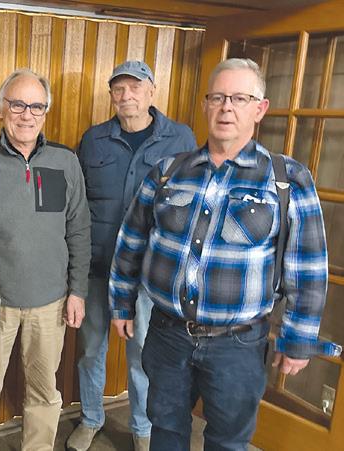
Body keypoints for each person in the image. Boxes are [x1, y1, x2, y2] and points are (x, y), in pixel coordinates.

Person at [109, 58, 341, 450]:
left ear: (259, 109)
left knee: (229, 441)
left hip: (238, 346)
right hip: (167, 336)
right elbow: (131, 241)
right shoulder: (168, 171)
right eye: (217, 97)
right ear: (205, 105)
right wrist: (121, 304)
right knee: (165, 429)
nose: (226, 107)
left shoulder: (286, 180)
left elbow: (308, 268)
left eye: (239, 98)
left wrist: (298, 339)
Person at [0, 69, 92, 451]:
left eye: (36, 106)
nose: (27, 114)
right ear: (1, 108)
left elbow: (79, 229)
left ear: (45, 112)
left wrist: (78, 291)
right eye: (17, 104)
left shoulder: (65, 161)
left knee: (45, 391)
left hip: (51, 302)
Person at [68, 60, 196, 451]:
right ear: (111, 95)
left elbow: (189, 205)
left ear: (152, 91)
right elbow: (77, 203)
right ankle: (91, 418)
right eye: (119, 89)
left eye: (135, 87)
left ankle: (142, 427)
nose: (127, 95)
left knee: (142, 353)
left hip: (148, 274)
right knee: (91, 350)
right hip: (98, 267)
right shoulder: (94, 139)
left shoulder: (180, 138)